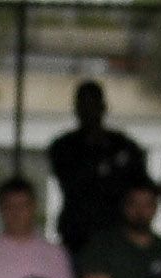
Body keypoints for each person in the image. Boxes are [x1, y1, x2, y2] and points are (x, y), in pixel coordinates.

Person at [47, 81, 147, 252]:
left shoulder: (123, 144)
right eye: (84, 105)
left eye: (93, 104)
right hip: (77, 234)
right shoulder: (63, 146)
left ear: (104, 107)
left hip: (117, 234)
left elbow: (140, 184)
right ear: (76, 108)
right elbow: (73, 182)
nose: (89, 111)